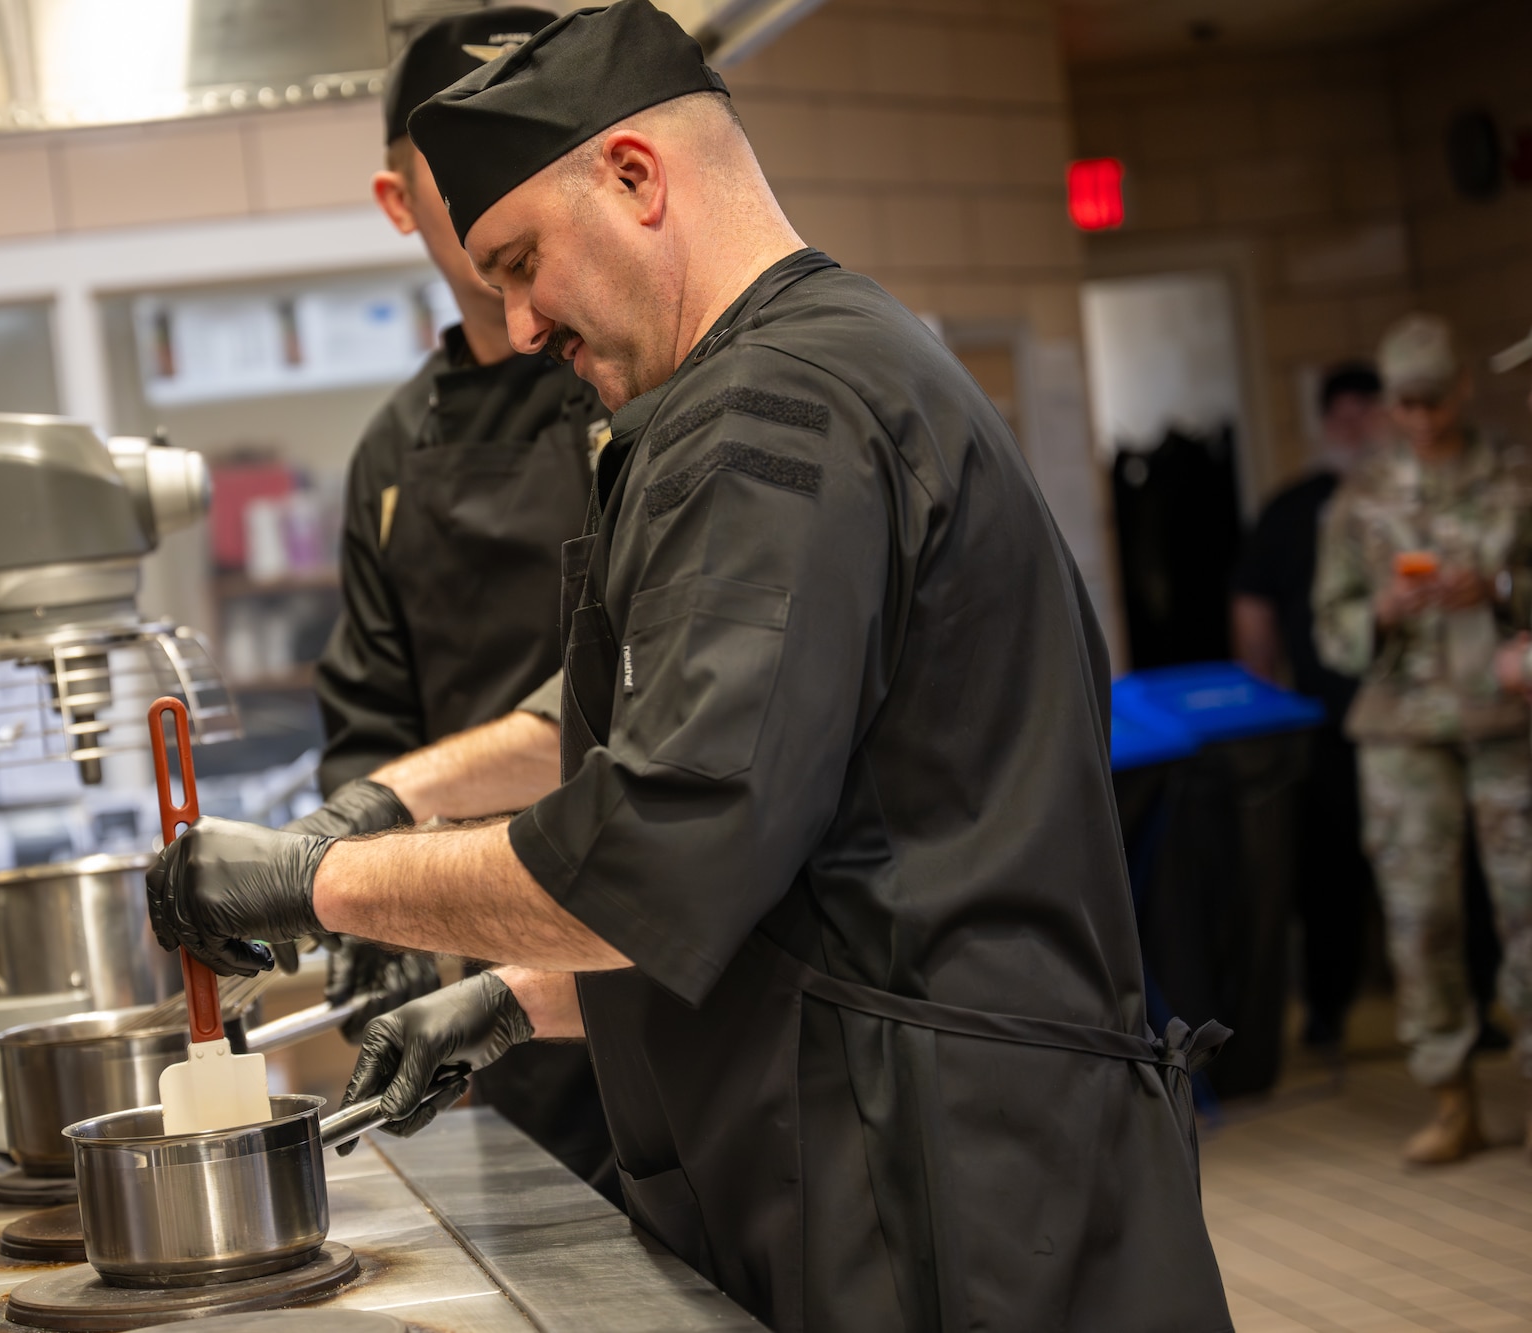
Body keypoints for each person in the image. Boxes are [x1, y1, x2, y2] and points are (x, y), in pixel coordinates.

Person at [146, 4, 1232, 1329]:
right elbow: (807, 869)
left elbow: (656, 856)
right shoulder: (823, 372)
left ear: (638, 178)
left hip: (951, 1208)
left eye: (523, 260)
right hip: (931, 1162)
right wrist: (515, 1001)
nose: (523, 322)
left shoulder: (771, 418)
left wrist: (320, 878)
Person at [281, 8, 618, 1197]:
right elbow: (369, 713)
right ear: (396, 201)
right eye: (456, 165)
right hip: (486, 992)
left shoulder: (646, 394)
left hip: (663, 938)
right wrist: (382, 928)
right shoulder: (392, 454)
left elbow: (635, 688)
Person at [1313, 313, 1532, 1165]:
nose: (1426, 418)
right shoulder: (1359, 500)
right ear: (1389, 408)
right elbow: (1328, 621)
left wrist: (1505, 585)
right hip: (1403, 729)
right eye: (1408, 404)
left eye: (1437, 400)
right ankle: (1452, 1098)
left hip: (1505, 721)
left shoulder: (1513, 479)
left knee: (1527, 908)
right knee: (1421, 917)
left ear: (1463, 390)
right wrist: (1382, 612)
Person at [1232, 362, 1385, 1050]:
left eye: (1369, 411)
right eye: (1343, 413)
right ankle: (1328, 1006)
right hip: (1322, 719)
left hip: (1412, 715)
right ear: (1326, 421)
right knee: (1329, 876)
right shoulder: (1293, 510)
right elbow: (1253, 607)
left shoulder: (1405, 500)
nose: (1357, 425)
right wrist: (1265, 701)